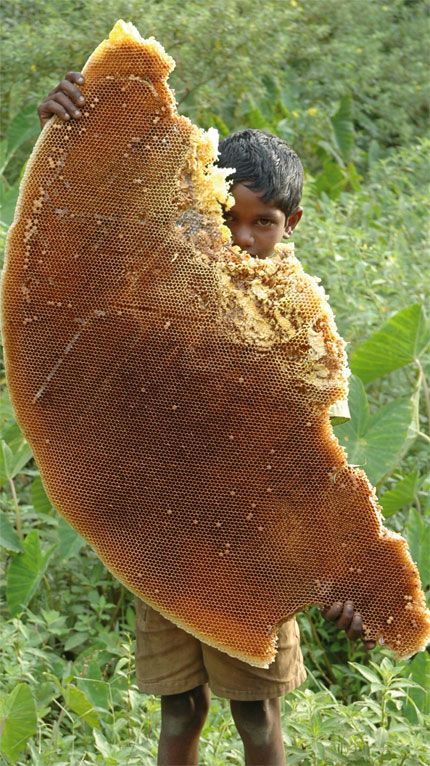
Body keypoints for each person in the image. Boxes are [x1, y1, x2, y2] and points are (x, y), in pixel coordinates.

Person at [38, 73, 376, 766]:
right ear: (202, 207)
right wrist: (68, 134)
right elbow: (85, 239)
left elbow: (311, 460)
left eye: (264, 222)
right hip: (162, 539)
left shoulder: (299, 328)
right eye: (227, 217)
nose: (243, 237)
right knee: (178, 710)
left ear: (293, 225)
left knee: (256, 718)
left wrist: (342, 566)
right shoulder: (167, 285)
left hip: (255, 550)